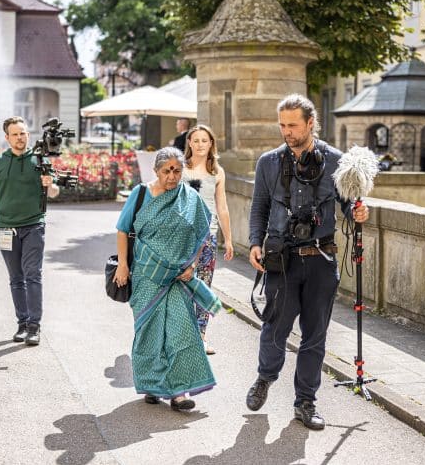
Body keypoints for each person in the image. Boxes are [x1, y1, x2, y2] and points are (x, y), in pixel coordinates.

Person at [245, 94, 369, 430]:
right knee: (275, 328)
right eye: (282, 125)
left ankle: (305, 402)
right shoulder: (268, 163)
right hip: (281, 260)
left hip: (321, 260)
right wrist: (255, 242)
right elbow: (259, 208)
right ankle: (265, 377)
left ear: (310, 122)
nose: (286, 131)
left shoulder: (337, 162)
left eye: (293, 125)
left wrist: (358, 212)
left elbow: (348, 207)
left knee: (315, 336)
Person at [113, 147, 222, 411]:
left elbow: (201, 232)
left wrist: (193, 263)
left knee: (181, 331)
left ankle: (179, 393)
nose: (172, 176)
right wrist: (123, 266)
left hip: (178, 278)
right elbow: (122, 229)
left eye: (177, 170)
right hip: (146, 276)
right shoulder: (141, 194)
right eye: (166, 171)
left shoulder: (189, 197)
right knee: (149, 333)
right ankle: (152, 385)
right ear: (156, 171)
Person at [0, 116, 59, 346]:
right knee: (15, 278)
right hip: (6, 228)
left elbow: (54, 193)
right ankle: (22, 323)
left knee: (33, 274)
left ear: (28, 134)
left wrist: (49, 184)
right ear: (7, 137)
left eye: (23, 133)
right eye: (15, 134)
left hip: (33, 225)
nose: (20, 137)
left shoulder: (40, 160)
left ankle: (34, 326)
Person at [182, 124, 234, 355]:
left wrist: (229, 239)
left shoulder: (217, 172)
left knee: (203, 287)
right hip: (182, 238)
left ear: (211, 143)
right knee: (181, 286)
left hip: (208, 237)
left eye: (205, 140)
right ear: (190, 143)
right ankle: (181, 335)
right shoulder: (181, 169)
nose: (201, 144)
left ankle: (201, 337)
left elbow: (222, 207)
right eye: (196, 140)